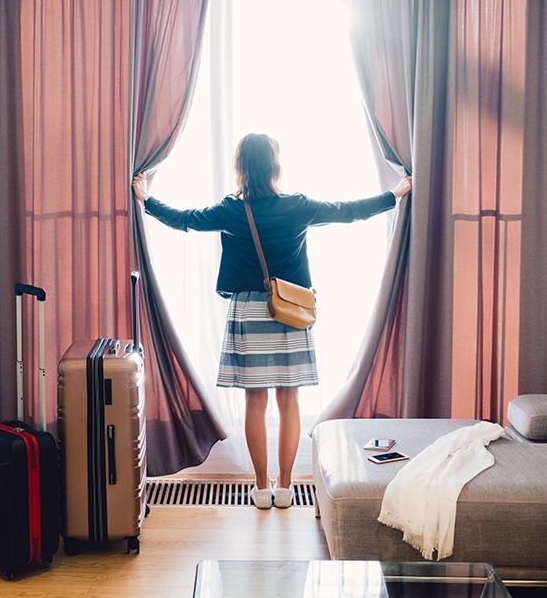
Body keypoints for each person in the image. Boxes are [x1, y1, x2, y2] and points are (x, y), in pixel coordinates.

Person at [132, 133, 412, 509]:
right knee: (289, 400)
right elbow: (348, 211)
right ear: (275, 166)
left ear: (241, 167)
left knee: (255, 403)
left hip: (249, 313)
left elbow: (186, 220)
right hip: (291, 313)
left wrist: (146, 199)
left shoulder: (232, 210)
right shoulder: (296, 206)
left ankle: (261, 488)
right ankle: (285, 487)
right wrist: (394, 194)